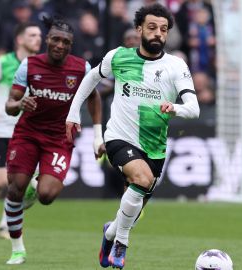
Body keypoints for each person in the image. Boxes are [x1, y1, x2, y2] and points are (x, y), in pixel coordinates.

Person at [66, 3, 200, 269]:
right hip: (119, 137)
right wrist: (72, 114)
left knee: (134, 208)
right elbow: (90, 79)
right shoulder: (118, 56)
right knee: (142, 178)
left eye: (163, 29)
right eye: (151, 28)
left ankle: (110, 233)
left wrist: (175, 107)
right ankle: (121, 242)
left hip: (155, 147)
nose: (157, 34)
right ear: (139, 29)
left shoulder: (176, 65)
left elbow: (194, 109)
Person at [3, 16, 103, 265]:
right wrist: (20, 103)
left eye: (66, 42)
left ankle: (35, 189)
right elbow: (9, 106)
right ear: (47, 40)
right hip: (27, 133)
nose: (60, 45)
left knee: (47, 195)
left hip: (60, 138)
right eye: (56, 39)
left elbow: (94, 98)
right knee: (14, 188)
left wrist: (97, 135)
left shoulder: (82, 68)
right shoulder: (29, 65)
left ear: (71, 44)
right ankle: (17, 250)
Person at [0, 22, 42, 239]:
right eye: (32, 35)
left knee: (21, 182)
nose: (38, 39)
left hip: (27, 131)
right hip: (2, 128)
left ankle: (6, 224)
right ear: (20, 39)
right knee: (1, 182)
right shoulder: (3, 62)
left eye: (39, 35)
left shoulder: (41, 65)